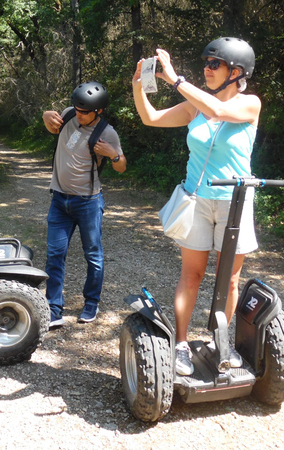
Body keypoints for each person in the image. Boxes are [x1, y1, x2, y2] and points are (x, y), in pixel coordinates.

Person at [132, 38, 261, 375]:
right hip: (197, 200)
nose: (207, 68)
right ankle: (181, 344)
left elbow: (218, 110)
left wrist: (175, 78)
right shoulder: (194, 106)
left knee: (229, 280)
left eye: (214, 64)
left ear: (236, 72)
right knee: (191, 275)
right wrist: (138, 87)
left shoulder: (250, 104)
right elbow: (151, 118)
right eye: (205, 62)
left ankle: (221, 340)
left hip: (235, 202)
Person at [42, 81, 127, 327]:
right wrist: (46, 114)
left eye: (84, 112)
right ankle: (53, 308)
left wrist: (114, 154)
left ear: (98, 111)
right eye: (77, 109)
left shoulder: (107, 132)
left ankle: (91, 303)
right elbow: (51, 125)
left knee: (93, 255)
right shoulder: (69, 115)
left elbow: (121, 167)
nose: (79, 114)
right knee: (55, 255)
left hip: (88, 203)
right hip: (59, 200)